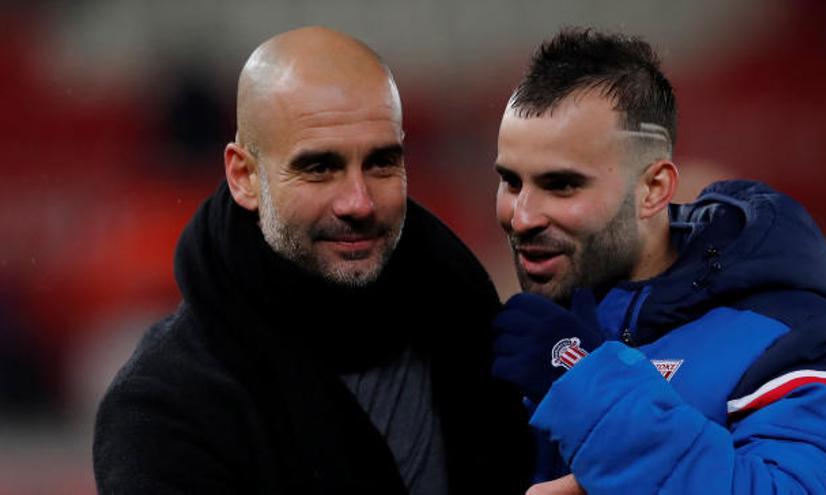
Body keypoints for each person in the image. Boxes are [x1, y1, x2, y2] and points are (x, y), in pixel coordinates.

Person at [93, 26, 533, 494]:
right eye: (320, 168)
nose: (359, 202)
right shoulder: (165, 408)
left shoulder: (469, 324)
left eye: (382, 162)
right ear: (244, 176)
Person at [490, 27, 826, 494]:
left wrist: (587, 384)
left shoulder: (799, 342)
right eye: (511, 182)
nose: (522, 215)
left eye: (562, 185)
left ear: (654, 189)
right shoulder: (545, 327)